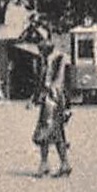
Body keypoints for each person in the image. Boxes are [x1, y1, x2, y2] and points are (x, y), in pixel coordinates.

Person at [32, 41, 73, 178]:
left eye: (41, 51)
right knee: (57, 134)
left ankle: (45, 164)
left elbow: (50, 83)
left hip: (51, 101)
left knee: (45, 132)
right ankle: (64, 164)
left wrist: (38, 97)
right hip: (57, 100)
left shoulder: (53, 61)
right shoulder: (58, 59)